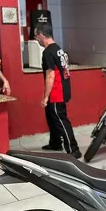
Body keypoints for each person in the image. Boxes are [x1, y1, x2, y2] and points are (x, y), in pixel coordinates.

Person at [34, 23, 81, 158]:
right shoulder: (58, 49)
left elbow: (50, 75)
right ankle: (55, 143)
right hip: (63, 88)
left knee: (61, 120)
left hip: (56, 92)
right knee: (51, 116)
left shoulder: (48, 52)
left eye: (36, 36)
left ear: (42, 36)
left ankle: (73, 149)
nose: (36, 40)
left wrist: (45, 97)